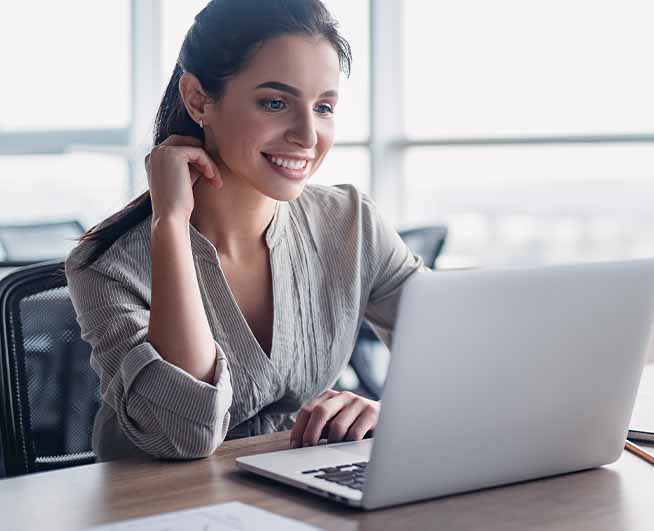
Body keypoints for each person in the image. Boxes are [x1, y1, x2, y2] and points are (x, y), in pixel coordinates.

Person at [66, 0, 423, 461]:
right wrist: (170, 224)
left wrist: (383, 411)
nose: (308, 135)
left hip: (292, 492)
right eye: (275, 102)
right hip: (157, 508)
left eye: (324, 107)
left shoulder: (350, 222)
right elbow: (183, 434)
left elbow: (461, 357)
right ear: (197, 99)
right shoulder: (108, 266)